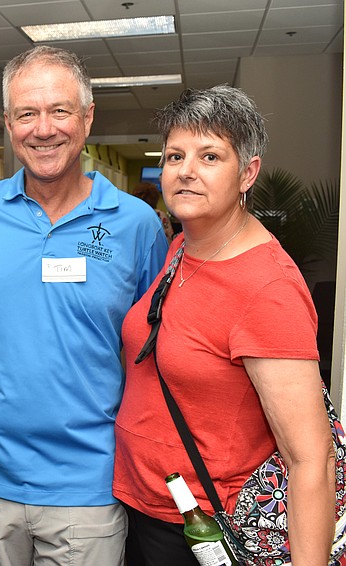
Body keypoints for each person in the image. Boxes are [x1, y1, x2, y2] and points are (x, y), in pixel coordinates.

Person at [0, 46, 169, 565]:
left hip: (91, 483)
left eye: (59, 111)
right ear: (9, 123)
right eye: (27, 114)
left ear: (87, 117)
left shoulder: (135, 225)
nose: (43, 129)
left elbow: (155, 346)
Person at [114, 85, 335, 565]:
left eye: (210, 156)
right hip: (146, 508)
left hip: (209, 528)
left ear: (247, 173)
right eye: (175, 156)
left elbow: (310, 460)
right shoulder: (183, 246)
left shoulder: (267, 289)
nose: (187, 171)